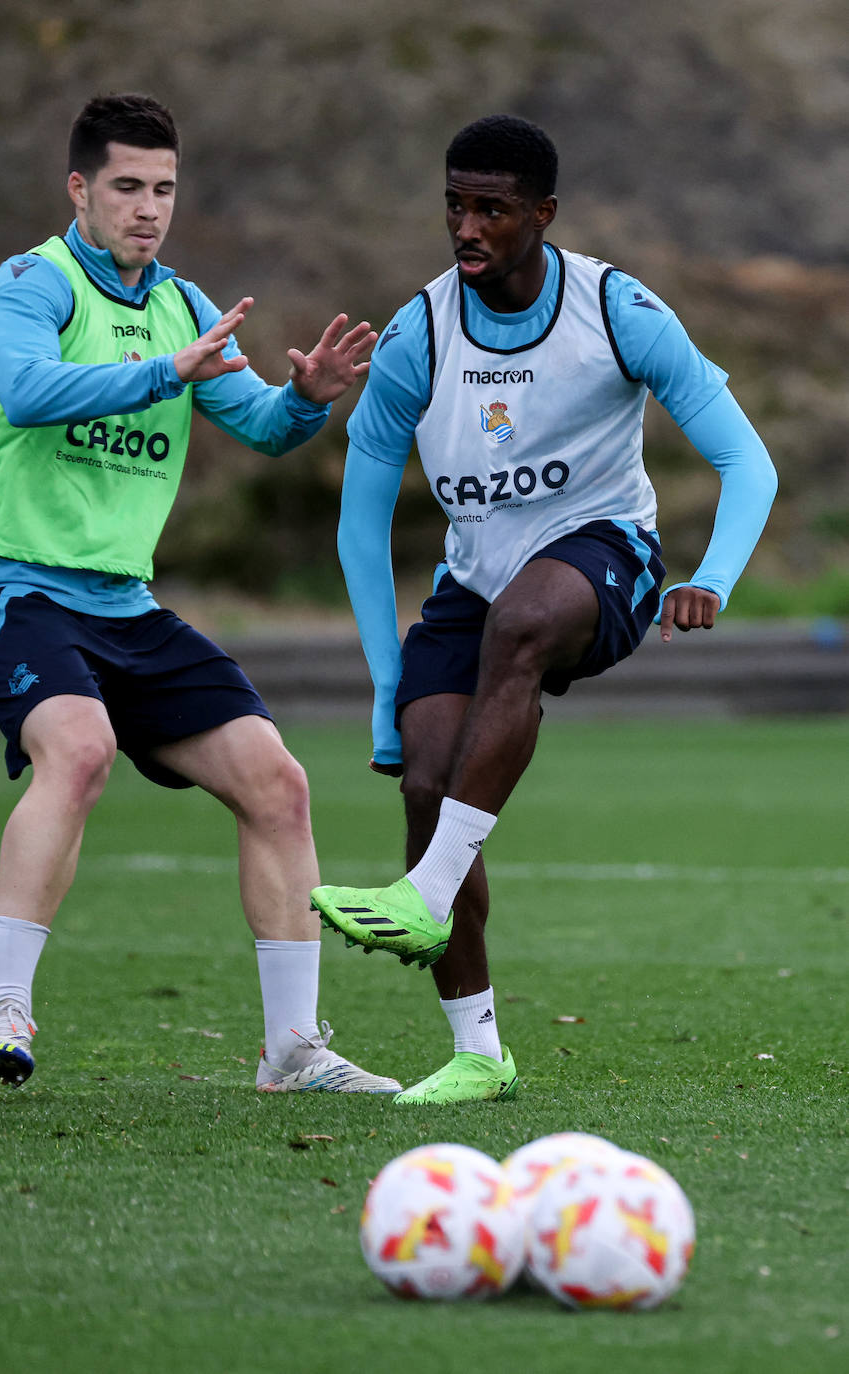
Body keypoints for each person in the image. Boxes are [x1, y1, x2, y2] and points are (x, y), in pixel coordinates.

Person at [311, 115, 777, 1105]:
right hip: (471, 584)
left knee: (522, 622)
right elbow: (357, 529)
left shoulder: (617, 311)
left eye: (491, 208)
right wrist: (387, 690)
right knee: (425, 780)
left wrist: (713, 575)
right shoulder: (416, 336)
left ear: (543, 215)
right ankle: (478, 1050)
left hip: (607, 562)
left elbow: (747, 461)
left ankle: (426, 894)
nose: (466, 227)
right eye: (453, 205)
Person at [0, 92, 399, 1095]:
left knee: (277, 782)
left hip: (123, 606)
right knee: (79, 746)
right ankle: (6, 1013)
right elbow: (25, 392)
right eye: (126, 188)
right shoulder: (32, 284)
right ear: (80, 188)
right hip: (9, 587)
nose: (148, 209)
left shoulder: (186, 307)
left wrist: (309, 402)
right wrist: (161, 373)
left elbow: (262, 426)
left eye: (163, 189)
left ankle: (291, 1051)